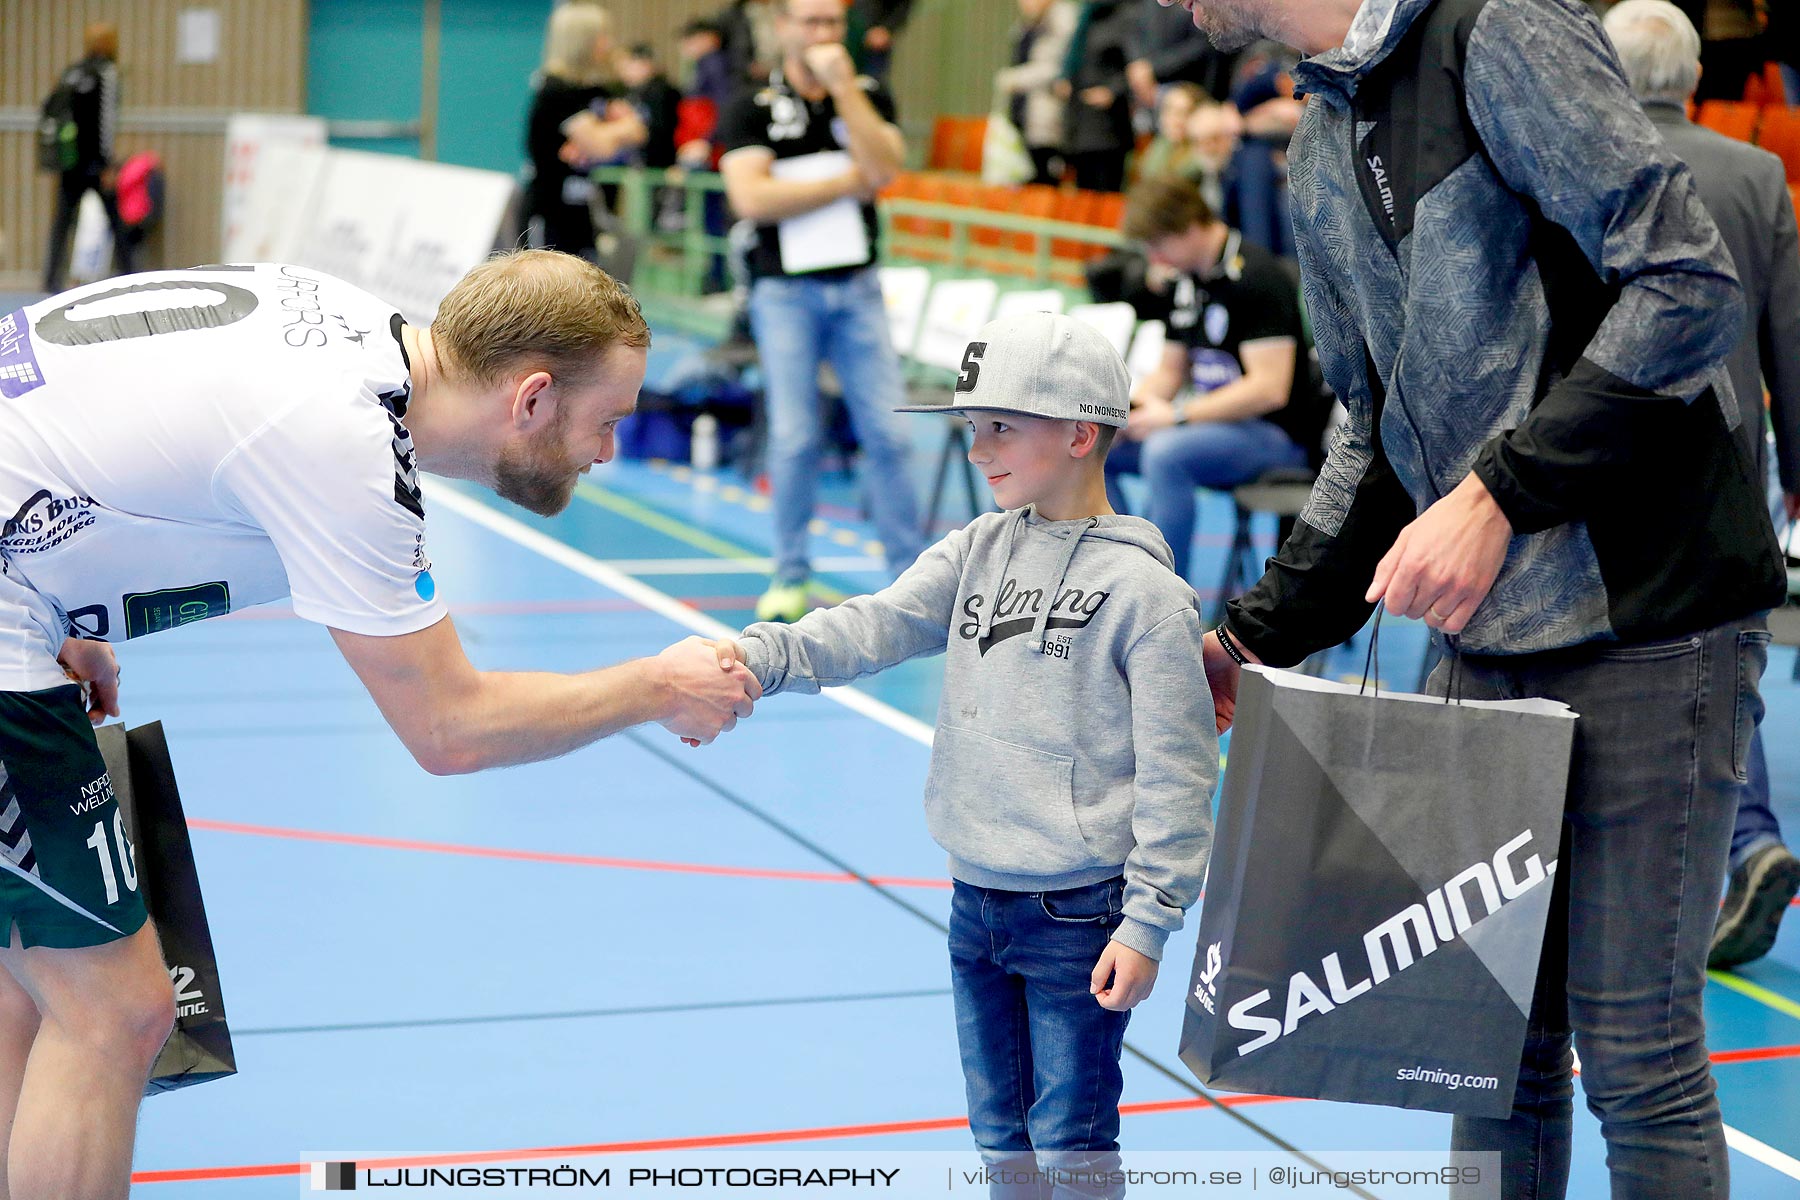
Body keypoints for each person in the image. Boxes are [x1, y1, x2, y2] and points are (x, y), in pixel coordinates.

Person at [1163, 0, 1784, 1197]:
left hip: (1648, 624)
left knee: (1638, 1061)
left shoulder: (1498, 31)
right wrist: (1251, 632)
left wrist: (1499, 492)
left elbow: (1688, 282)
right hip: (1483, 642)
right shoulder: (1316, 133)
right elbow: (1371, 426)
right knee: (1482, 1056)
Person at [0, 251, 759, 1199]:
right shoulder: (346, 447)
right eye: (605, 423)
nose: (605, 453)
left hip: (22, 602)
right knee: (115, 1015)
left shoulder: (336, 316)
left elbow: (91, 422)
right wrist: (656, 685)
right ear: (530, 399)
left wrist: (67, 609)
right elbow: (452, 728)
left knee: (30, 989)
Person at [713, 312, 1216, 1198]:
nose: (978, 449)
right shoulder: (978, 549)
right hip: (975, 898)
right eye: (972, 427)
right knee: (999, 1135)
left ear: (1078, 433)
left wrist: (1148, 923)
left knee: (1072, 1137)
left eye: (1000, 428)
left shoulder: (1146, 594)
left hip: (1079, 914)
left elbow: (1180, 776)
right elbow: (875, 625)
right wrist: (759, 658)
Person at [1603, 0, 1800, 971]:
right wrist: (1798, 472)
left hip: (1608, 457)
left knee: (1622, 676)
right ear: (1690, 77)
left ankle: (1670, 870)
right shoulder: (1758, 171)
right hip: (1734, 462)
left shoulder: (1585, 163)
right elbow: (1790, 340)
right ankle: (1746, 841)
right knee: (1720, 661)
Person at [715, 0, 924, 623]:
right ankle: (789, 573)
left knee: (889, 433)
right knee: (796, 435)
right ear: (783, 28)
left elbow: (886, 169)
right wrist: (843, 182)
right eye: (810, 22)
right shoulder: (751, 106)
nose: (822, 35)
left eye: (832, 23)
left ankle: (911, 583)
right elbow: (752, 196)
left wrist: (844, 93)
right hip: (785, 294)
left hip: (857, 289)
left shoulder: (866, 95)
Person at [1106, 175, 1325, 583]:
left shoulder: (1259, 277)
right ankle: (1115, 571)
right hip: (1208, 428)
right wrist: (1121, 414)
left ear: (1188, 228)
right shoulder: (1186, 281)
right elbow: (1170, 371)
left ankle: (1160, 595)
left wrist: (1177, 416)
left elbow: (1268, 389)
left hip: (1273, 436)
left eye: (1158, 245)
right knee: (1092, 447)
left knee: (1165, 453)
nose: (1155, 259)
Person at [523, 3, 646, 255]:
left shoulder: (595, 90)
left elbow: (638, 130)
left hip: (586, 209)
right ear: (582, 41)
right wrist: (610, 133)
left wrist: (603, 133)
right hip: (552, 210)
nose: (608, 44)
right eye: (602, 37)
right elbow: (601, 147)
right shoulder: (555, 90)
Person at [41, 21, 136, 294]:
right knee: (116, 221)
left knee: (62, 223)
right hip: (95, 165)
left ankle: (50, 280)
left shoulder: (72, 72)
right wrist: (107, 163)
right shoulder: (106, 73)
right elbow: (105, 122)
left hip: (70, 163)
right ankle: (130, 276)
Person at [997, 0, 1079, 187]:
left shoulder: (1062, 17)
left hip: (1050, 118)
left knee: (1046, 179)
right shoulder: (1029, 22)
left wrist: (1017, 79)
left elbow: (1059, 65)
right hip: (1027, 114)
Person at [1058, 0, 1137, 192]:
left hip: (1108, 128)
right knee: (1084, 196)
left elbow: (1137, 65)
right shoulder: (1085, 19)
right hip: (1080, 124)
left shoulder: (1127, 15)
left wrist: (1112, 91)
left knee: (1106, 195)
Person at [1134, 83, 1209, 184]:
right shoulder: (1160, 144)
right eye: (1169, 110)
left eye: (1184, 113)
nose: (1174, 120)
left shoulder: (1205, 155)